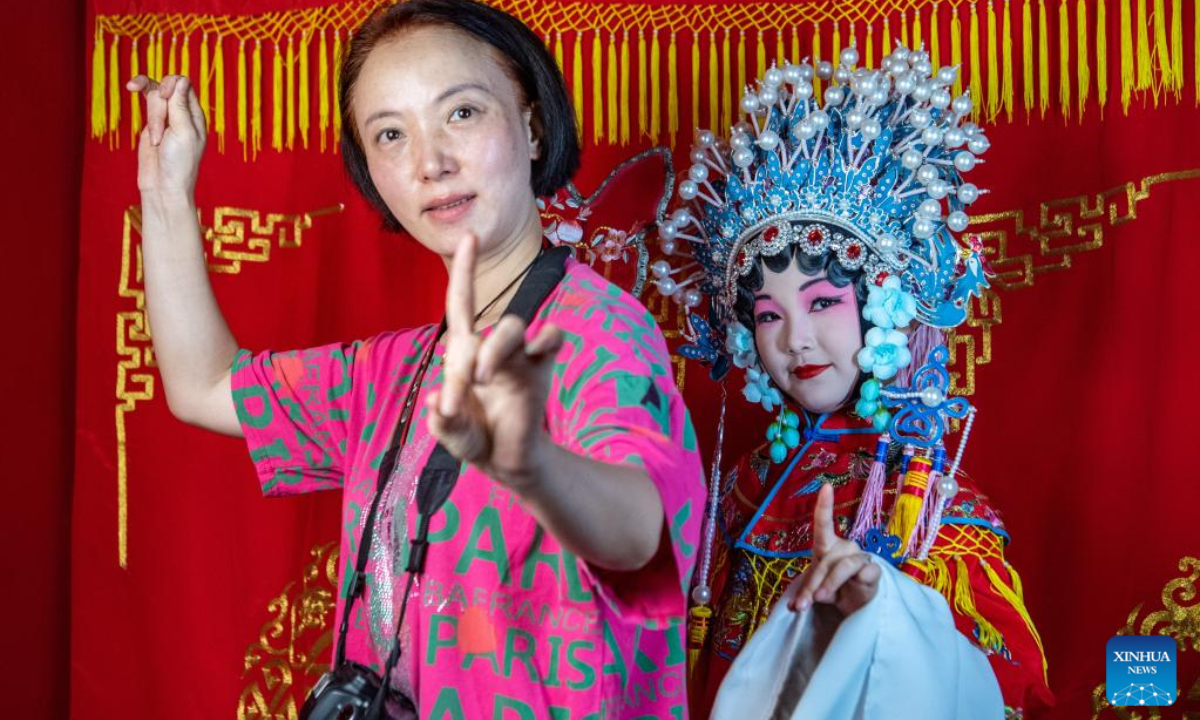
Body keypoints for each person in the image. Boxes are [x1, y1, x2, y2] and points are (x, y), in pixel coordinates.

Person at [126, 1, 705, 718]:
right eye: (390, 134)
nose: (430, 162)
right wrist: (166, 194)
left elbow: (638, 533)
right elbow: (204, 384)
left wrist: (531, 464)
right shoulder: (394, 372)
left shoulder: (597, 331)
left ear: (530, 124)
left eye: (461, 113)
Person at [650, 43, 1054, 719]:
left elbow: (1009, 688)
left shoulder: (921, 502)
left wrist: (885, 607)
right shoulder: (743, 490)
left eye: (822, 303)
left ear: (881, 311)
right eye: (768, 314)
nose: (794, 339)